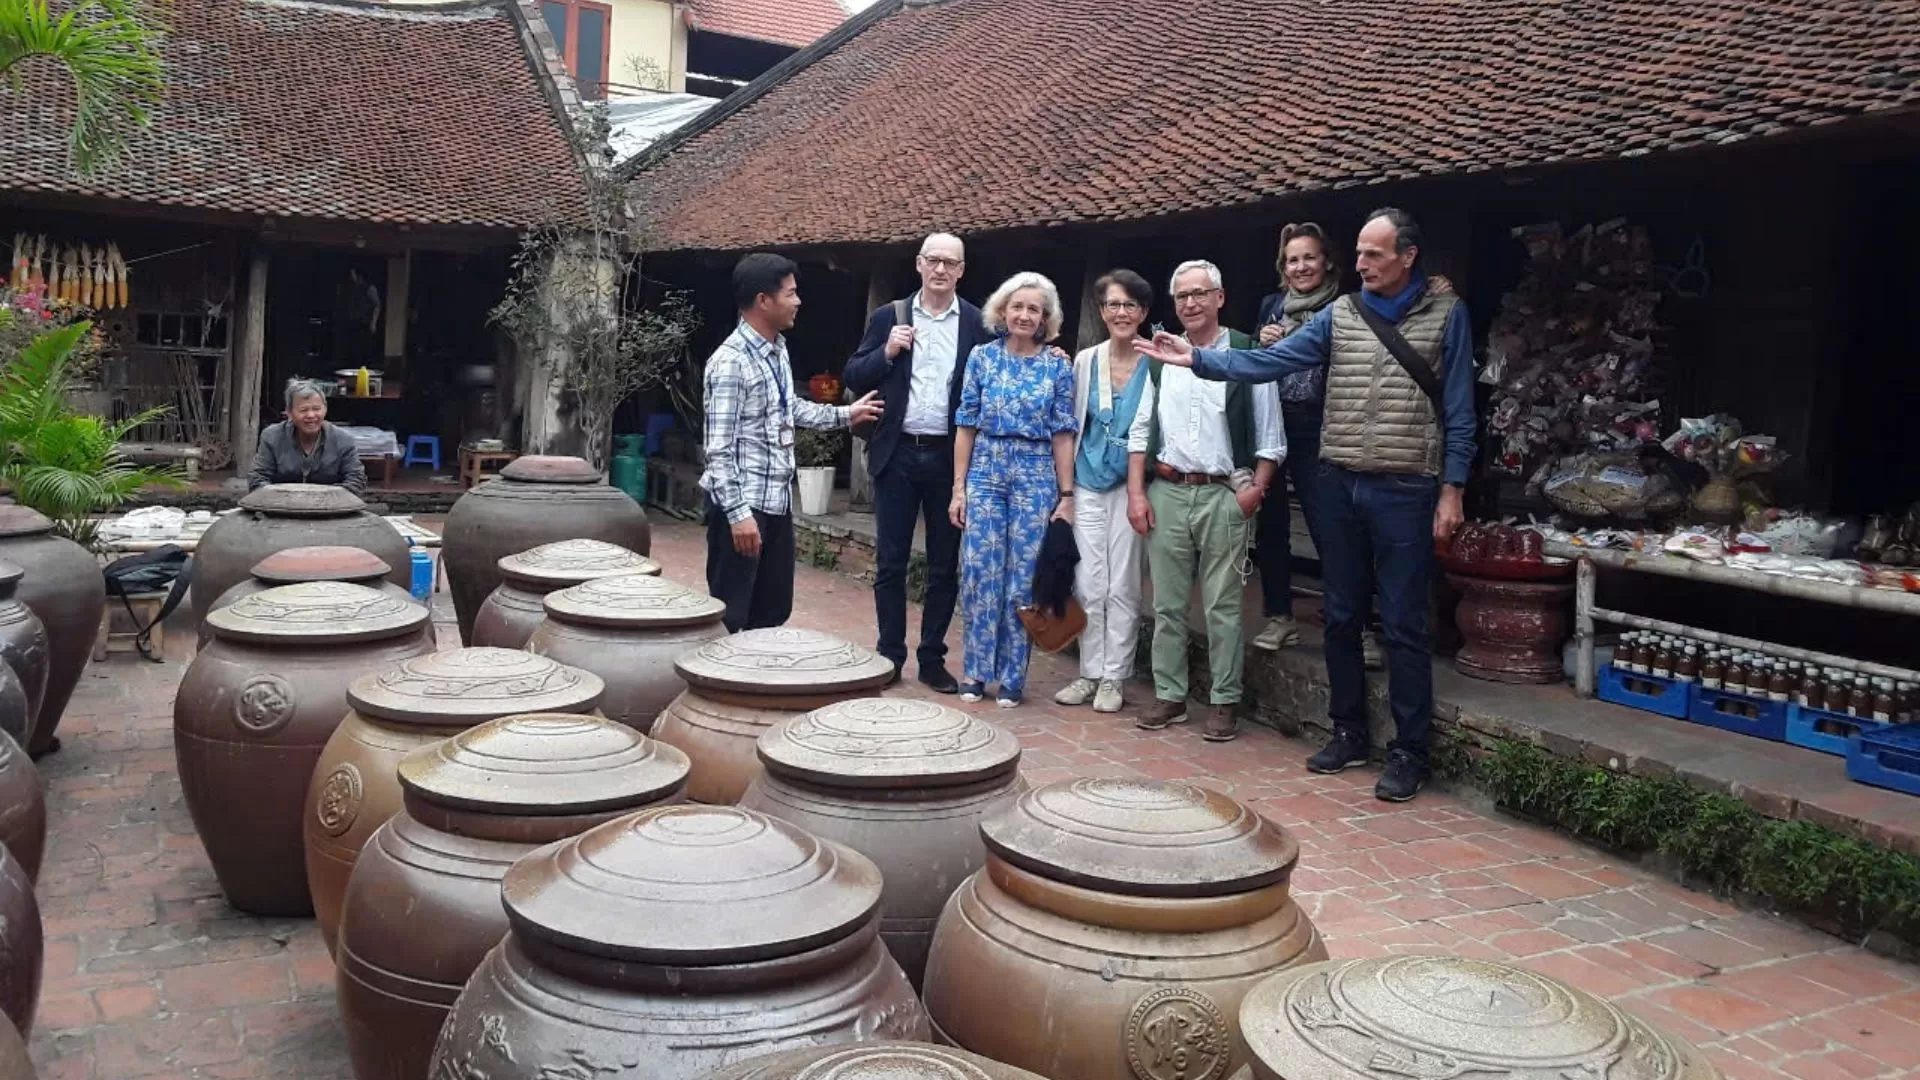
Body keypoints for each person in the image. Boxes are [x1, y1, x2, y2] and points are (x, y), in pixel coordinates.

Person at [1135, 208, 1475, 802]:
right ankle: (1348, 732)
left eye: (1374, 254)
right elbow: (1275, 361)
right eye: (1359, 252)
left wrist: (1454, 487)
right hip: (1339, 479)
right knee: (1340, 615)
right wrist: (1200, 360)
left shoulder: (1448, 314)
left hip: (1407, 485)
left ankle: (1409, 751)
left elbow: (1461, 408)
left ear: (1408, 257)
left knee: (1402, 622)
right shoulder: (1342, 313)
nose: (1361, 263)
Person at [1126, 260, 1285, 743]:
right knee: (1168, 605)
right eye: (1182, 296)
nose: (1191, 303)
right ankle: (1170, 694)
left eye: (1200, 293)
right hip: (1168, 490)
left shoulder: (1246, 353)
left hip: (1224, 494)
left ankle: (1224, 700)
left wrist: (1255, 490)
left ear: (1220, 298)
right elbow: (1140, 429)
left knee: (1223, 606)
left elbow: (1271, 433)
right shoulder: (1160, 356)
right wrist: (1137, 492)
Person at [701, 252, 884, 632]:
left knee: (772, 613)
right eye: (790, 293)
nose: (798, 301)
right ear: (763, 300)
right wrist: (738, 516)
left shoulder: (777, 349)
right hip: (743, 507)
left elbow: (789, 408)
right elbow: (718, 449)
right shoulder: (731, 362)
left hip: (776, 501)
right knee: (730, 616)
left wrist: (845, 415)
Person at [844, 233, 992, 693]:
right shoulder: (890, 316)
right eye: (934, 260)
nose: (941, 269)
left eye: (950, 262)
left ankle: (932, 658)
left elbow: (1008, 364)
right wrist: (886, 352)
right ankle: (890, 654)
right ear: (919, 264)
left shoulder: (977, 322)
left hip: (950, 457)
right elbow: (853, 373)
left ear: (962, 270)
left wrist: (1053, 352)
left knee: (944, 565)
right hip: (898, 452)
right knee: (891, 561)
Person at [1251, 223, 1384, 661]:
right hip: (1275, 424)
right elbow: (1256, 364)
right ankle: (1280, 617)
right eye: (1292, 260)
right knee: (1271, 526)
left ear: (1327, 262)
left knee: (1333, 529)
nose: (1301, 266)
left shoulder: (1348, 307)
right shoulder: (1272, 306)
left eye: (1309, 257)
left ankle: (1357, 627)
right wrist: (1261, 341)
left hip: (1322, 427)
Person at [948, 272, 1076, 708]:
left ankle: (1012, 676)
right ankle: (975, 669)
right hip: (986, 468)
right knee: (979, 570)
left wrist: (1066, 495)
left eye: (1033, 309)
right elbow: (966, 424)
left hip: (1035, 473)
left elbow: (1063, 432)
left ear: (1045, 318)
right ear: (1002, 311)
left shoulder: (1057, 365)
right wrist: (959, 488)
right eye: (1017, 306)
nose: (1024, 315)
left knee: (1023, 576)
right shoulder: (981, 358)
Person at [1054, 269, 1153, 714]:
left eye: (1130, 305)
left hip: (1132, 487)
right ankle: (1089, 672)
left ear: (1143, 312)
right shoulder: (1086, 361)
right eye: (1113, 304)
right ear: (1101, 310)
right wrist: (1066, 491)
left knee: (1123, 585)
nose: (1121, 313)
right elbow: (1071, 423)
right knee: (1088, 583)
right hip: (1088, 482)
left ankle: (1115, 676)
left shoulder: (1156, 361)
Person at [247, 378, 367, 494]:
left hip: (329, 504)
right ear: (289, 413)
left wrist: (324, 498)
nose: (311, 415)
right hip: (282, 503)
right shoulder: (272, 436)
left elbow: (356, 480)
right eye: (303, 410)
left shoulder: (343, 440)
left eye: (316, 409)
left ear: (325, 409)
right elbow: (258, 478)